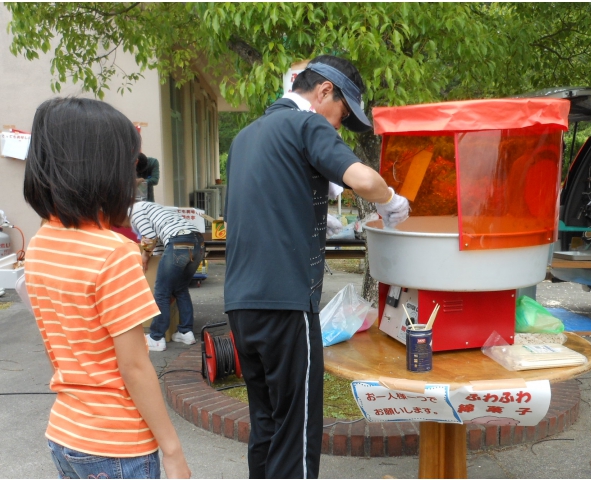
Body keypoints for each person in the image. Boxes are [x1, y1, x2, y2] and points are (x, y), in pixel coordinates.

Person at [224, 55, 410, 479]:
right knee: (297, 434)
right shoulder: (306, 125)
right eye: (342, 115)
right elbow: (365, 181)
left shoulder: (246, 137)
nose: (338, 127)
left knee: (266, 425)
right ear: (325, 90)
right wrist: (391, 200)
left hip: (240, 304)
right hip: (286, 303)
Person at [22, 97, 191, 479]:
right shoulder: (114, 252)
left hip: (66, 434)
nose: (134, 178)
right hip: (118, 446)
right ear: (104, 170)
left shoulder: (41, 242)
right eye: (130, 165)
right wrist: (172, 450)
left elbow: (63, 340)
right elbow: (134, 366)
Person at [129, 201, 205, 351]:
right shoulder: (155, 209)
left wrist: (145, 256)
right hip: (198, 243)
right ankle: (186, 332)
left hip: (178, 242)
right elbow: (159, 245)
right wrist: (157, 259)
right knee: (181, 289)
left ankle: (156, 338)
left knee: (162, 292)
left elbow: (150, 237)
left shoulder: (135, 210)